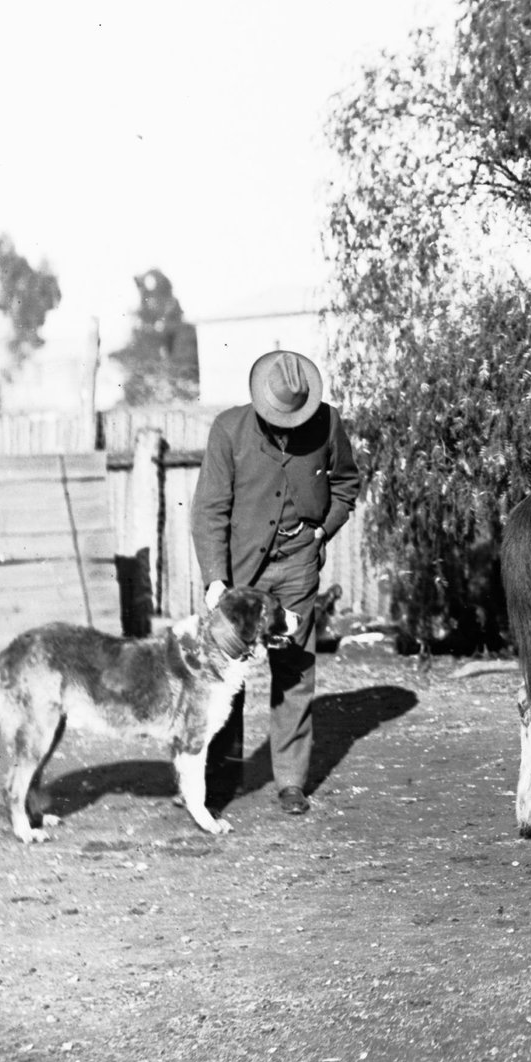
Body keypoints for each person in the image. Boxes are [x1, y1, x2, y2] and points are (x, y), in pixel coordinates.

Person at [191, 349, 363, 815]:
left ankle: (290, 779)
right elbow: (209, 509)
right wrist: (215, 579)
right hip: (241, 573)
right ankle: (220, 779)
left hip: (297, 563)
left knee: (295, 668)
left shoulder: (328, 424)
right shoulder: (229, 430)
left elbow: (347, 484)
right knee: (226, 671)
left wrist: (322, 530)